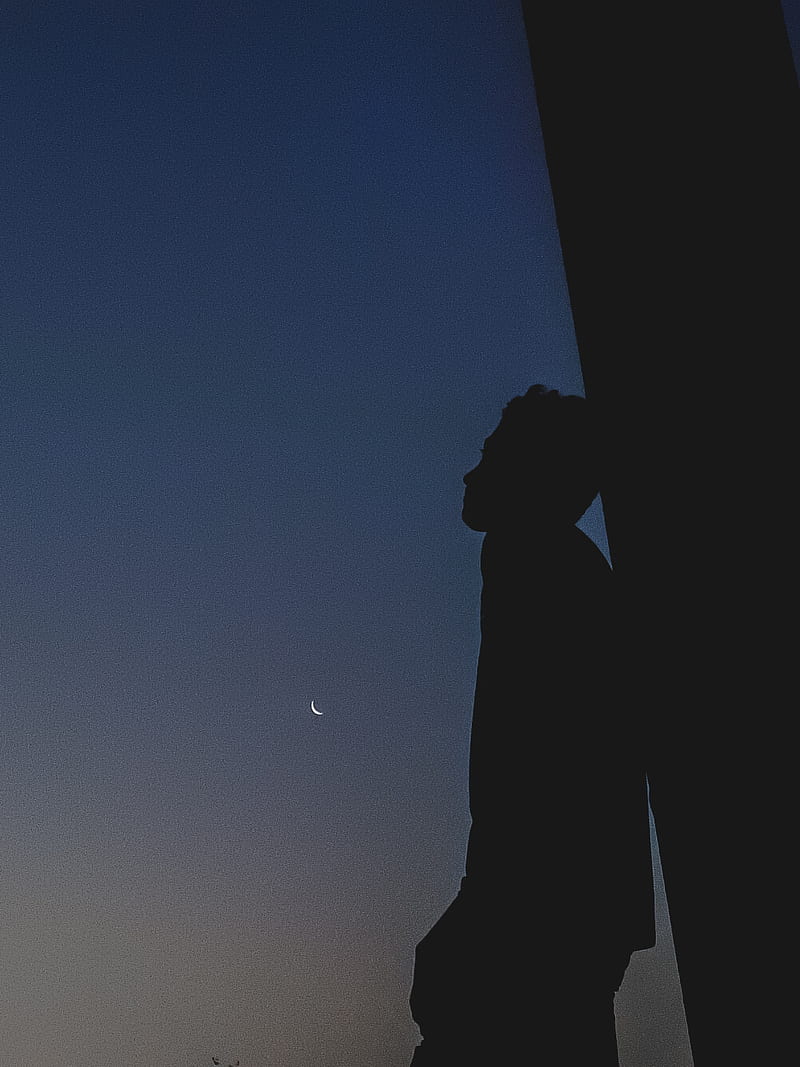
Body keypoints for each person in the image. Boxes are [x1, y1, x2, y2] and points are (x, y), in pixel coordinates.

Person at [408, 385, 655, 1065]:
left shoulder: (535, 558)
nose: (470, 471)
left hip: (545, 893)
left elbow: (540, 759)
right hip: (564, 894)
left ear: (529, 469)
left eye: (490, 454)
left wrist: (490, 895)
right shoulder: (554, 563)